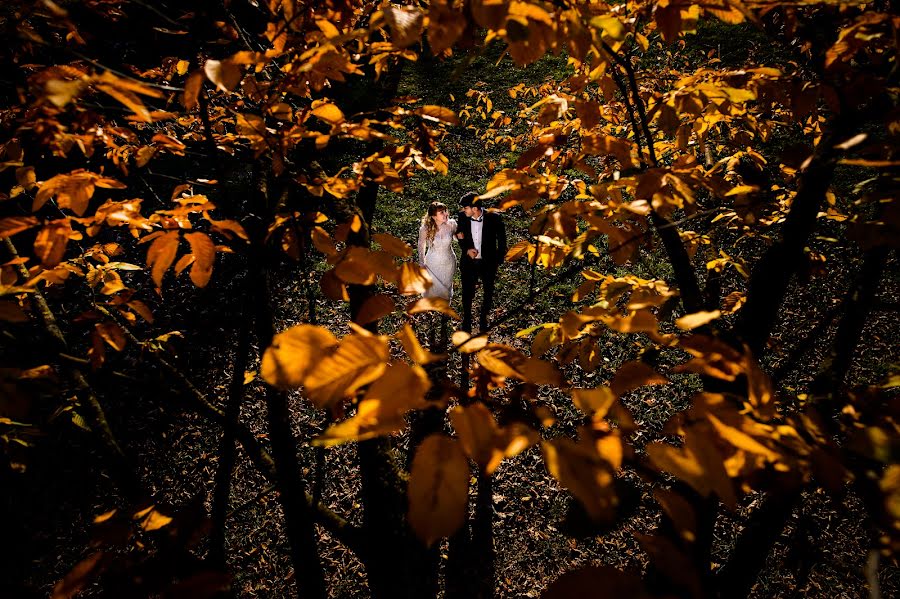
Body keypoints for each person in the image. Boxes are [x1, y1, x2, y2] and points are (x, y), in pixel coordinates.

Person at [456, 192, 506, 333]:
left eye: (465, 208)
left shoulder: (494, 218)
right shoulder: (462, 217)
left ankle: (484, 316)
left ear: (474, 208)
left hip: (488, 263)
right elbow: (460, 236)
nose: (463, 211)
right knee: (467, 292)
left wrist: (498, 259)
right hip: (469, 263)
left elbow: (502, 239)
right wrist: (466, 249)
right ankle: (467, 318)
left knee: (488, 291)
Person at [417, 201, 457, 301]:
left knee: (446, 286)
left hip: (449, 261)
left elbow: (458, 239)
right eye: (442, 212)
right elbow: (421, 245)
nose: (446, 214)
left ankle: (445, 309)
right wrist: (422, 263)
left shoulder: (452, 224)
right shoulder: (425, 229)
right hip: (432, 262)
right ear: (434, 216)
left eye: (445, 211)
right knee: (432, 288)